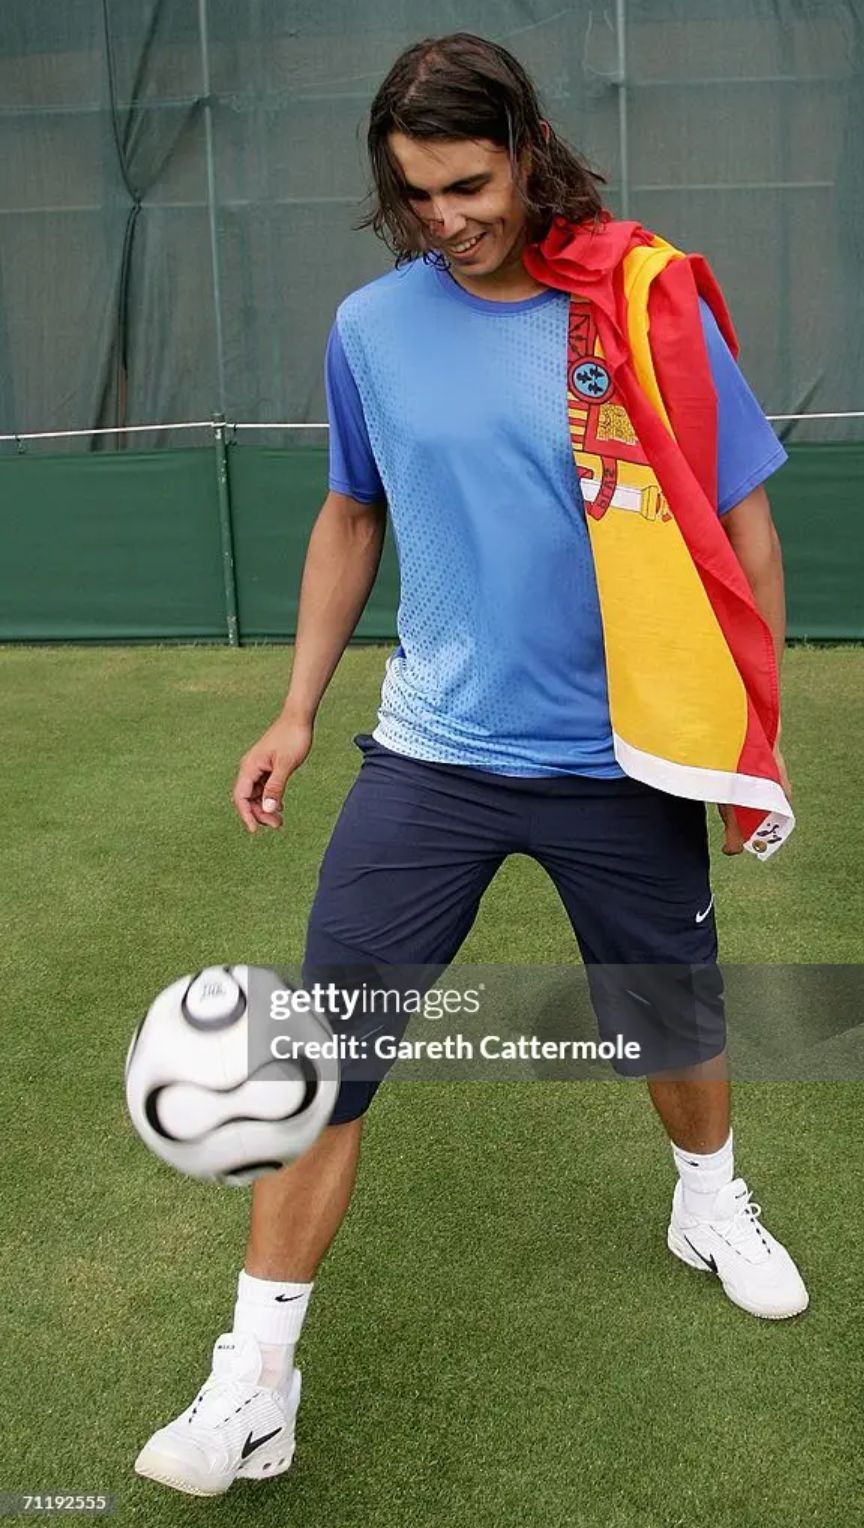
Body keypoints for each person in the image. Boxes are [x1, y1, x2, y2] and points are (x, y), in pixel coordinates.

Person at [134, 31, 808, 1499]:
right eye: (417, 195)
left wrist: (749, 733)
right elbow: (349, 518)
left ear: (524, 144)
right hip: (431, 755)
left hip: (619, 762)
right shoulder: (371, 329)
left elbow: (740, 522)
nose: (447, 217)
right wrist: (299, 711)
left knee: (674, 1030)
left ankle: (709, 1199)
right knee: (328, 1050)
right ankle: (251, 1382)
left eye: (470, 184)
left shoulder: (636, 306)